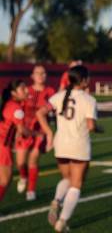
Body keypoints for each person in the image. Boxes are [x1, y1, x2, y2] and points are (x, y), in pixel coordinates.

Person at [37, 65, 101, 232]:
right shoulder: (89, 100)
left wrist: (49, 133)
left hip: (61, 145)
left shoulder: (59, 96)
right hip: (78, 146)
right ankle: (62, 221)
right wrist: (98, 128)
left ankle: (57, 200)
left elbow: (40, 113)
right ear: (85, 80)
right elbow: (91, 126)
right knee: (76, 184)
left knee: (67, 178)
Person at [15, 65, 55, 201]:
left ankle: (31, 190)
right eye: (37, 73)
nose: (41, 75)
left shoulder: (50, 91)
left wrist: (50, 134)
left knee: (33, 158)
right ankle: (23, 177)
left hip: (41, 131)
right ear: (32, 75)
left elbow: (53, 109)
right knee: (20, 162)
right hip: (25, 130)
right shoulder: (26, 90)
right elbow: (18, 109)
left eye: (43, 73)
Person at [0, 80, 34, 203]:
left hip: (3, 144)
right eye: (23, 89)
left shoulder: (9, 104)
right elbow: (22, 130)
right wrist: (38, 134)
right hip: (3, 146)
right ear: (14, 92)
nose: (26, 90)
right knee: (5, 180)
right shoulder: (16, 108)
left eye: (26, 88)